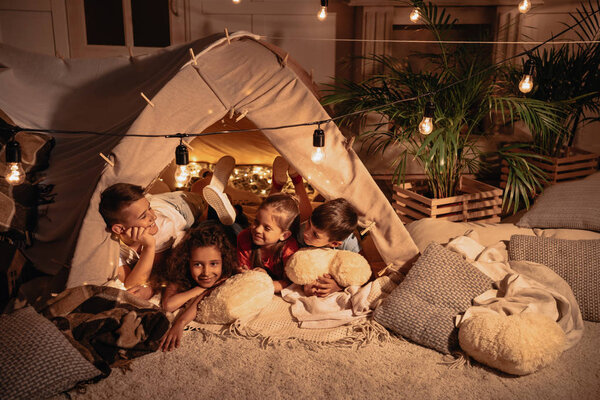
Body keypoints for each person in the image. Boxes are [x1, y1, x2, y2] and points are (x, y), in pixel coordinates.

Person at [98, 156, 237, 299]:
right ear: (119, 229)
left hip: (178, 208)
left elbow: (158, 271)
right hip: (157, 203)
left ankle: (214, 182)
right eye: (143, 217)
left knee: (200, 196)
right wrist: (149, 246)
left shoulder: (163, 228)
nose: (153, 217)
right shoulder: (112, 246)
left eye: (149, 210)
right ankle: (209, 179)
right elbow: (131, 285)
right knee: (203, 201)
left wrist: (148, 239)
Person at [270, 156, 361, 298]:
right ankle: (288, 182)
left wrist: (339, 285)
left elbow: (358, 271)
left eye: (315, 235)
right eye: (309, 227)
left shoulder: (349, 245)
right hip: (299, 230)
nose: (307, 234)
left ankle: (292, 179)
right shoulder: (302, 233)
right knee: (274, 223)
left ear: (334, 243)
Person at [159, 221, 236, 351]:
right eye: (197, 264)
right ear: (187, 261)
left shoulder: (226, 273)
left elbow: (201, 300)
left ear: (223, 261)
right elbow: (168, 305)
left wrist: (181, 322)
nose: (206, 273)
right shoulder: (180, 272)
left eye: (214, 264)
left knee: (233, 227)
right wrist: (202, 288)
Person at [236, 193, 300, 293]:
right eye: (256, 222)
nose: (258, 230)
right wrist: (246, 273)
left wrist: (266, 283)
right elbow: (241, 272)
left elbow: (290, 282)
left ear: (284, 235)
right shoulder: (245, 238)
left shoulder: (289, 250)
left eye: (267, 228)